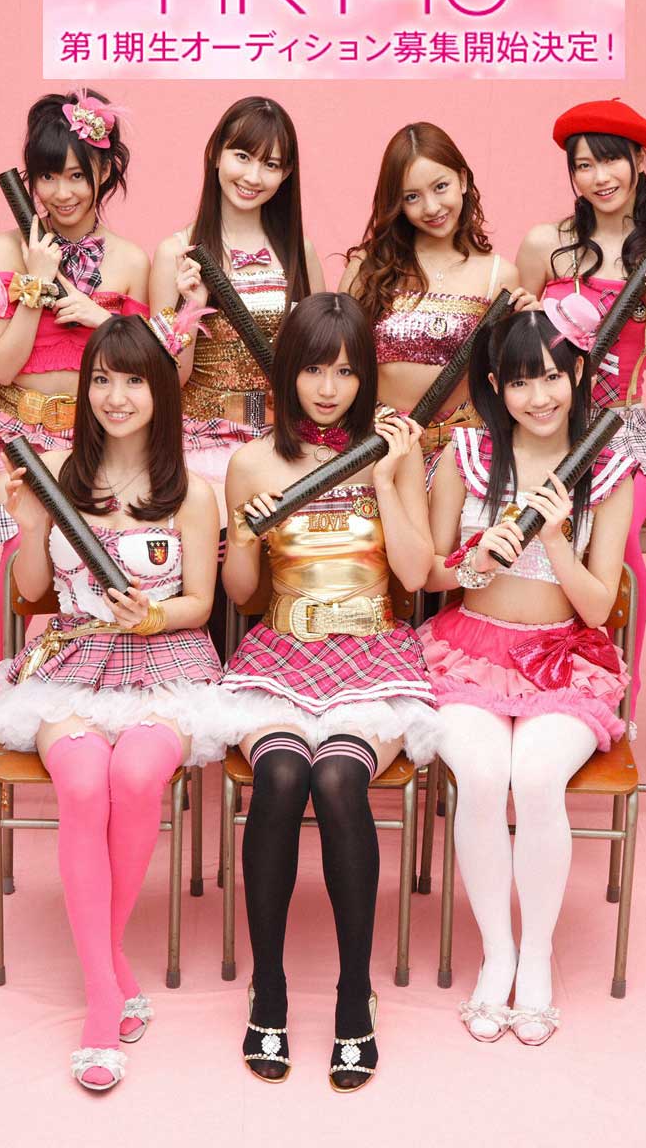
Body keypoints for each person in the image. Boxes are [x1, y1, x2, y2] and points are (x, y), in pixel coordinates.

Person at [0, 314, 232, 1092]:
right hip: (73, 662)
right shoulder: (55, 471)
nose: (116, 396)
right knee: (84, 785)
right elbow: (29, 590)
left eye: (134, 381)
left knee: (137, 776)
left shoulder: (193, 492)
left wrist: (152, 615)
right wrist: (22, 519)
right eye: (103, 380)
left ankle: (101, 980)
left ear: (161, 392)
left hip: (167, 663)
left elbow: (201, 602)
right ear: (86, 389)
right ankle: (105, 986)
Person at [221, 293, 438, 1090]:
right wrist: (245, 538)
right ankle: (269, 989)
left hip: (374, 651)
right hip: (282, 648)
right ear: (287, 370)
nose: (328, 388)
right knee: (282, 774)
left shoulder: (395, 447)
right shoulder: (252, 463)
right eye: (314, 368)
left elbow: (416, 574)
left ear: (365, 378)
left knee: (340, 777)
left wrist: (385, 476)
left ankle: (354, 994)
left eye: (346, 372)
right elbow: (243, 595)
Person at [419, 309, 635, 1045]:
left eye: (551, 377)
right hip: (468, 651)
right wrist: (479, 560)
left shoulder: (608, 468)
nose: (538, 397)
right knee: (482, 776)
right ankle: (497, 955)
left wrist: (556, 538)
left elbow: (599, 606)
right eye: (519, 382)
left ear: (577, 375)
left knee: (537, 778)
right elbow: (430, 573)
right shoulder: (467, 454)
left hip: (564, 659)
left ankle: (536, 956)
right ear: (495, 386)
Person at [0, 88, 149, 663]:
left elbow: (142, 372)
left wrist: (102, 319)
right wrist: (34, 286)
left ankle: (96, 674)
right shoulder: (6, 247)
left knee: (114, 546)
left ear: (104, 170)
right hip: (13, 434)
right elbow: (1, 364)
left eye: (76, 175)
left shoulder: (130, 260)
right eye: (47, 177)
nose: (61, 193)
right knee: (22, 534)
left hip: (97, 435)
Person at [515, 98, 646, 713]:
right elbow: (513, 348)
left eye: (611, 161)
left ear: (640, 161)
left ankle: (622, 691)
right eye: (583, 165)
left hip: (622, 429)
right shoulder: (546, 245)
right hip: (544, 426)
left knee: (615, 546)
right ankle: (537, 681)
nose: (599, 177)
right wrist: (522, 319)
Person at [150, 95, 324, 523]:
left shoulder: (300, 253)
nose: (252, 176)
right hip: (200, 445)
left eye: (270, 164)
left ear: (286, 173)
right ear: (215, 154)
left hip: (281, 443)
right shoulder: (176, 252)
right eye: (242, 156)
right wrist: (190, 309)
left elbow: (320, 358)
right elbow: (167, 379)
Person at [339, 122, 518, 481]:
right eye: (412, 197)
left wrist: (530, 323)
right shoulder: (367, 267)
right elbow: (337, 357)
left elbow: (509, 378)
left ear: (462, 180)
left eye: (440, 187)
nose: (432, 207)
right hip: (376, 448)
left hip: (463, 453)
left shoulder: (500, 275)